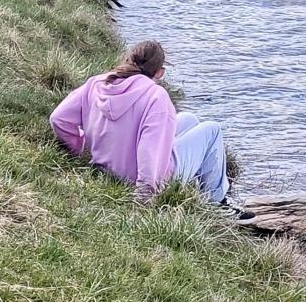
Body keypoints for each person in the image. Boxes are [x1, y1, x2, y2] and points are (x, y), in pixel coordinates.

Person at [49, 40, 230, 204]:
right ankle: (217, 202)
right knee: (212, 130)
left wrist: (78, 149)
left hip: (104, 167)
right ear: (160, 72)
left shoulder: (96, 83)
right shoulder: (155, 97)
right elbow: (148, 149)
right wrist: (145, 194)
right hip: (143, 180)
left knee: (189, 120)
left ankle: (197, 188)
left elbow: (58, 118)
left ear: (127, 60)